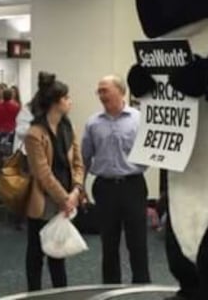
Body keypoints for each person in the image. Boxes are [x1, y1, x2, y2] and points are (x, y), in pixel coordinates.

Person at [82, 75, 150, 284]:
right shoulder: (93, 123)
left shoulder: (140, 119)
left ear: (121, 92)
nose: (101, 95)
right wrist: (80, 187)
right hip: (105, 188)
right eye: (99, 91)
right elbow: (85, 158)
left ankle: (142, 286)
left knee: (137, 241)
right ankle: (111, 287)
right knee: (108, 243)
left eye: (105, 90)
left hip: (133, 186)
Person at [24, 74, 85, 292]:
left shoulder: (68, 128)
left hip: (67, 197)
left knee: (58, 254)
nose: (70, 101)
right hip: (44, 201)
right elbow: (43, 174)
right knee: (36, 252)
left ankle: (61, 293)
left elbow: (78, 163)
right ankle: (34, 294)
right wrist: (64, 198)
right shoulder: (34, 134)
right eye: (66, 98)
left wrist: (76, 190)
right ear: (55, 103)